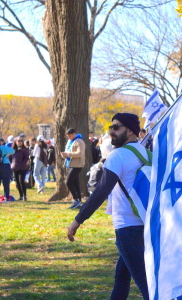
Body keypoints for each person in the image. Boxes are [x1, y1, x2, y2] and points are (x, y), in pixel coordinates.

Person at [67, 113, 149, 299]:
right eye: (110, 127)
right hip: (146, 225)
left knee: (148, 288)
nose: (111, 131)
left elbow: (100, 192)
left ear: (130, 131)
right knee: (121, 277)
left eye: (116, 127)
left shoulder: (117, 156)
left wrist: (77, 220)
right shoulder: (146, 153)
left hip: (128, 229)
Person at [61, 128, 86, 209]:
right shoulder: (70, 141)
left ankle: (76, 199)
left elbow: (80, 153)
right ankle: (79, 201)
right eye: (67, 136)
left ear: (74, 133)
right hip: (71, 164)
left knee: (68, 182)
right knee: (76, 183)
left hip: (77, 165)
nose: (69, 137)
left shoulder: (79, 141)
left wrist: (67, 154)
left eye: (70, 135)